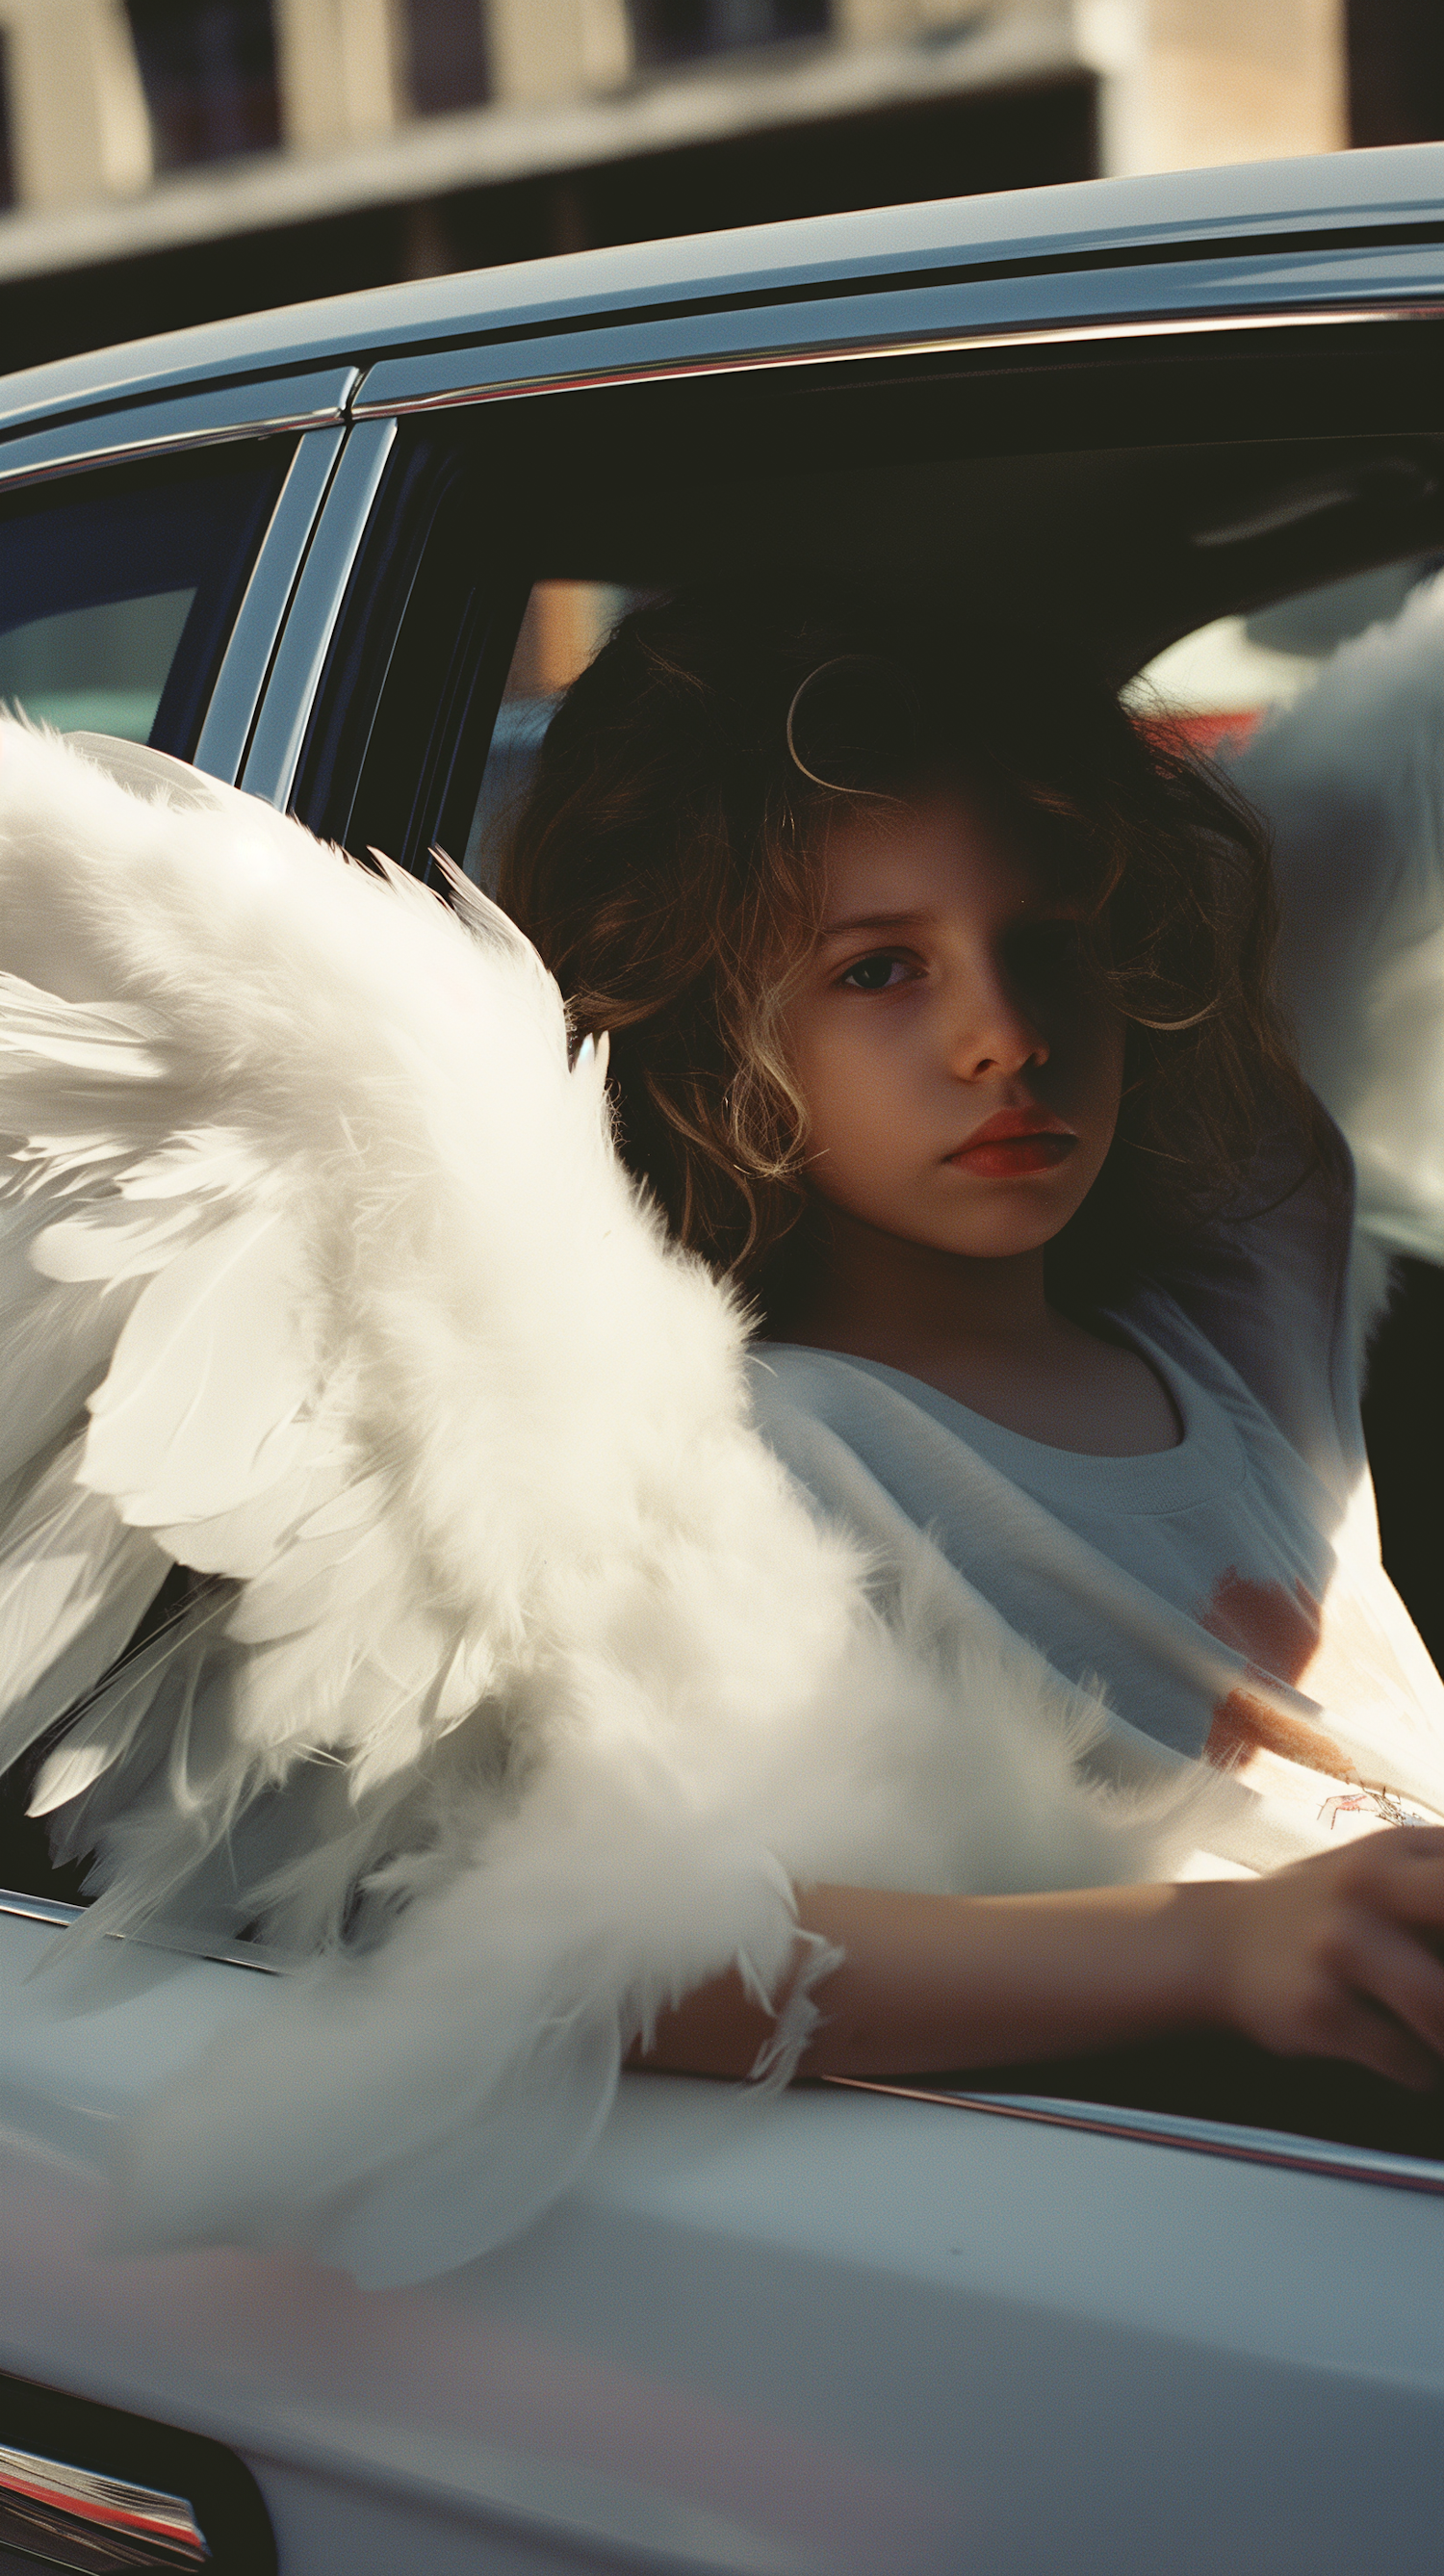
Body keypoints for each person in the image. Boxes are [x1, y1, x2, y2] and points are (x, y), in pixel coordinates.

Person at [499, 584, 1444, 2102]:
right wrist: (1219, 1946)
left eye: (1055, 940)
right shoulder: (754, 1453)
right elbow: (626, 1951)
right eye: (878, 969)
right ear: (709, 1027)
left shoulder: (1234, 1340)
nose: (1007, 1033)